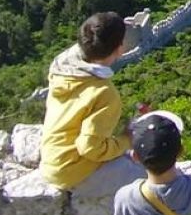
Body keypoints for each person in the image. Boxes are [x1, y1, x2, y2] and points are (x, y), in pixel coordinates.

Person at [39, 11, 143, 196]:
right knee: (150, 177)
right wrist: (127, 140)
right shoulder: (104, 93)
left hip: (51, 158)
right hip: (71, 171)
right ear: (120, 49)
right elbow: (90, 148)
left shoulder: (61, 69)